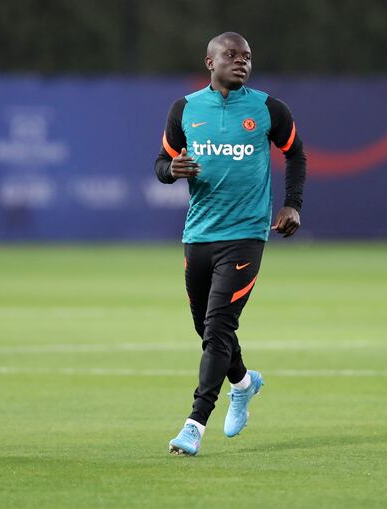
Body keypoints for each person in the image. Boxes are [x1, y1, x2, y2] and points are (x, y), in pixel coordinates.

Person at [154, 31, 306, 456]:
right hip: (198, 233)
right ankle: (243, 382)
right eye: (232, 55)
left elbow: (296, 154)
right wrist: (173, 170)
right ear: (210, 62)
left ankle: (193, 425)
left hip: (245, 236)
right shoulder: (185, 109)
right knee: (204, 327)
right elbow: (161, 163)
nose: (241, 62)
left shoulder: (268, 108)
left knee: (219, 326)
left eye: (248, 57)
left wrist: (292, 205)